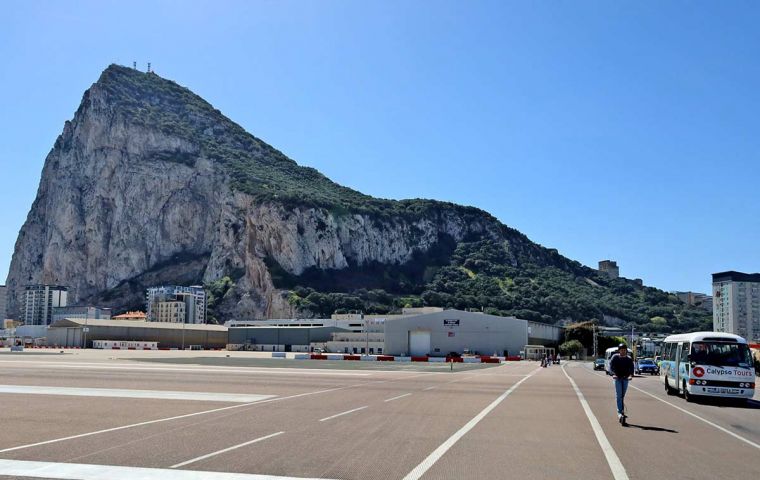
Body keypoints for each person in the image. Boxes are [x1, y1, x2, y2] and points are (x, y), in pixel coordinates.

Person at [609, 343, 634, 425]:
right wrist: (613, 374)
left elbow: (631, 369)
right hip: (617, 378)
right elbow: (611, 367)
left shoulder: (629, 359)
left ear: (626, 351)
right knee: (619, 395)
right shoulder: (615, 357)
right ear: (619, 350)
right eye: (621, 350)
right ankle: (620, 413)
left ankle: (621, 410)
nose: (623, 351)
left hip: (625, 378)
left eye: (624, 350)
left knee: (622, 395)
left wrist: (630, 376)